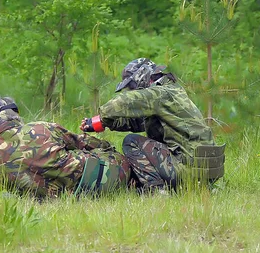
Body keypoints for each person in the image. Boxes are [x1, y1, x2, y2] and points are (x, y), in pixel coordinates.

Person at [80, 58, 221, 193]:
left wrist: (100, 117)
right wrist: (104, 123)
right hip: (207, 170)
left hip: (188, 168)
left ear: (141, 77)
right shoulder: (172, 92)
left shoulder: (158, 94)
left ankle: (156, 190)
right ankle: (203, 187)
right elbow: (137, 122)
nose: (131, 90)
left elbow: (119, 103)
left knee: (131, 142)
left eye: (131, 86)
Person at [0, 97, 131, 201]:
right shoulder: (41, 128)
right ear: (11, 115)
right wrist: (108, 149)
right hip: (108, 179)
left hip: (63, 197)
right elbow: (85, 142)